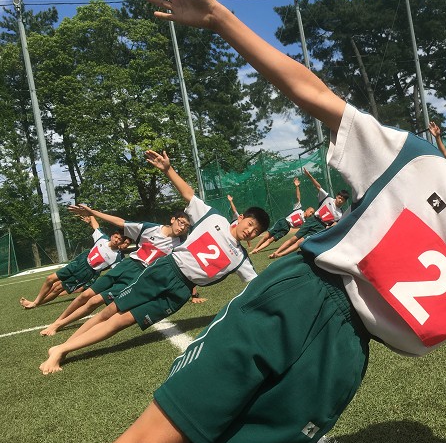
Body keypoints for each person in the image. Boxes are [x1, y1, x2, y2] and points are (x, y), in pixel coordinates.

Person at [106, 0, 446, 443]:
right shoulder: (416, 161)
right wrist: (217, 18)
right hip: (294, 298)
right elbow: (315, 95)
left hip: (344, 354)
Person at [38, 149, 269, 375]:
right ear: (240, 218)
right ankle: (61, 348)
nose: (250, 231)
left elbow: (259, 286)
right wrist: (168, 170)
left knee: (123, 321)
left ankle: (62, 348)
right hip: (166, 270)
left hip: (181, 292)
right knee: (110, 310)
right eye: (249, 224)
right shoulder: (214, 217)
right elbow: (189, 194)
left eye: (256, 231)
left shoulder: (241, 258)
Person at [39, 206, 190, 336]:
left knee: (95, 301)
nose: (182, 227)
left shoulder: (180, 245)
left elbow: (185, 266)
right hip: (126, 265)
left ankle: (59, 325)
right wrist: (93, 212)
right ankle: (57, 322)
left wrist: (193, 293)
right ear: (173, 219)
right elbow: (120, 222)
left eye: (186, 226)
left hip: (139, 275)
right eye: (181, 222)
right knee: (86, 294)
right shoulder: (151, 228)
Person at [19, 214, 129, 310]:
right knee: (50, 279)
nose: (116, 240)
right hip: (80, 262)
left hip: (87, 272)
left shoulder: (117, 257)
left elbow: (118, 272)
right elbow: (96, 226)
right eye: (116, 237)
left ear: (121, 242)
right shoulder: (102, 238)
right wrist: (90, 212)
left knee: (58, 288)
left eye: (120, 240)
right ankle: (36, 301)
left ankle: (35, 303)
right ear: (112, 236)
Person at [268, 167, 348, 258]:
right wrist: (309, 176)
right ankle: (276, 252)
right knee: (294, 238)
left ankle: (279, 255)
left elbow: (335, 224)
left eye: (343, 199)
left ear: (345, 202)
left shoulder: (340, 214)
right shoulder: (327, 198)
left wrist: (330, 226)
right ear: (337, 196)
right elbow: (318, 186)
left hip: (320, 228)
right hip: (312, 220)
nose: (340, 200)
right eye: (339, 197)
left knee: (300, 242)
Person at [250, 177, 314, 254]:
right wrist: (297, 186)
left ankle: (257, 250)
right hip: (283, 222)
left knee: (271, 240)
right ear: (307, 210)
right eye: (311, 212)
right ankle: (255, 248)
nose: (311, 214)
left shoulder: (305, 222)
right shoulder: (299, 209)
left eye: (312, 213)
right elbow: (298, 198)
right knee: (267, 236)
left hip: (286, 229)